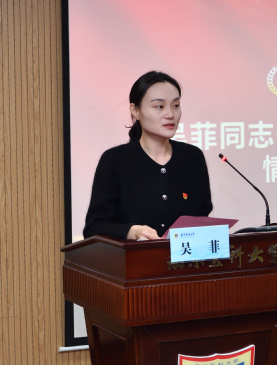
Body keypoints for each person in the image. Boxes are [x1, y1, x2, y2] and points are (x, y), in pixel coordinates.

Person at [83, 71, 213, 240]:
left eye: (175, 105)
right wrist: (133, 231)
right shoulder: (115, 160)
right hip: (133, 256)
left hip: (185, 256)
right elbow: (94, 227)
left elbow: (202, 217)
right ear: (135, 111)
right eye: (159, 106)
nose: (170, 114)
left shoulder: (192, 158)